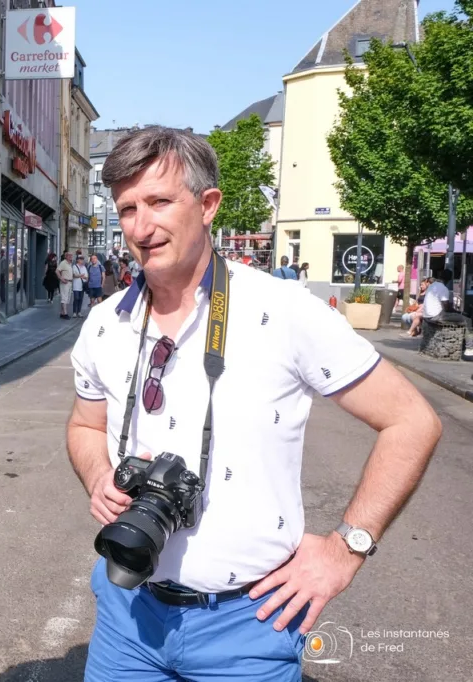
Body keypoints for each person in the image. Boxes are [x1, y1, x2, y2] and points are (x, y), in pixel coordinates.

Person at [66, 126, 441, 681]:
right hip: (128, 614)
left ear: (208, 204)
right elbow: (84, 424)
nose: (141, 227)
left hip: (249, 623)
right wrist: (100, 476)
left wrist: (347, 549)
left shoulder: (285, 310)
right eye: (127, 209)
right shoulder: (104, 322)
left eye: (160, 202)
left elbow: (412, 421)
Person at [57, 252, 74, 319]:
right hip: (65, 282)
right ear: (66, 256)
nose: (70, 256)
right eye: (69, 255)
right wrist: (61, 278)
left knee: (67, 298)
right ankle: (65, 313)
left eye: (71, 255)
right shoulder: (63, 263)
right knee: (64, 298)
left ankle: (62, 312)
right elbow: (57, 271)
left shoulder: (70, 264)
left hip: (69, 282)